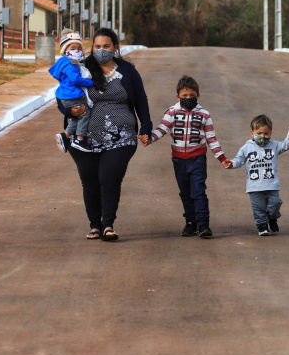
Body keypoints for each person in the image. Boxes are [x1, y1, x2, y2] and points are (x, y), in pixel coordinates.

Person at [58, 28, 151, 241]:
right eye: (97, 46)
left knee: (109, 178)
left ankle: (108, 225)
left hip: (122, 136)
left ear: (115, 47)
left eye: (106, 46)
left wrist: (146, 127)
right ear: (92, 48)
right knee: (90, 181)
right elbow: (62, 95)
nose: (101, 50)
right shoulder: (80, 69)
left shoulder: (127, 71)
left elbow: (141, 101)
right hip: (84, 138)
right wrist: (68, 110)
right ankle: (95, 226)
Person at [140, 75, 229, 238]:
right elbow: (162, 129)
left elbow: (211, 138)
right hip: (178, 160)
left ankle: (203, 225)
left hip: (198, 159)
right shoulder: (172, 112)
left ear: (198, 96)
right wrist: (150, 138)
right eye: (184, 96)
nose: (188, 98)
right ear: (178, 97)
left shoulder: (204, 114)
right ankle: (190, 223)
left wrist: (222, 158)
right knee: (185, 193)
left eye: (192, 96)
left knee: (198, 191)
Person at [229, 114, 289, 236]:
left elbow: (285, 145)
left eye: (266, 134)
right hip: (254, 186)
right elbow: (239, 160)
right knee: (258, 208)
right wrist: (231, 164)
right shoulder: (247, 148)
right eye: (259, 133)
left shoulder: (274, 146)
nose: (262, 136)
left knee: (275, 203)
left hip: (272, 184)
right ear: (252, 133)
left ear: (270, 133)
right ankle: (262, 226)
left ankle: (272, 218)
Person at [50, 29, 93, 152]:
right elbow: (75, 80)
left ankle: (65, 136)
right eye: (72, 48)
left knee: (76, 118)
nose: (76, 51)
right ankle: (80, 140)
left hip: (66, 96)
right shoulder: (69, 65)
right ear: (65, 50)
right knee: (85, 114)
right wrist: (90, 83)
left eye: (79, 48)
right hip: (73, 95)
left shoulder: (64, 63)